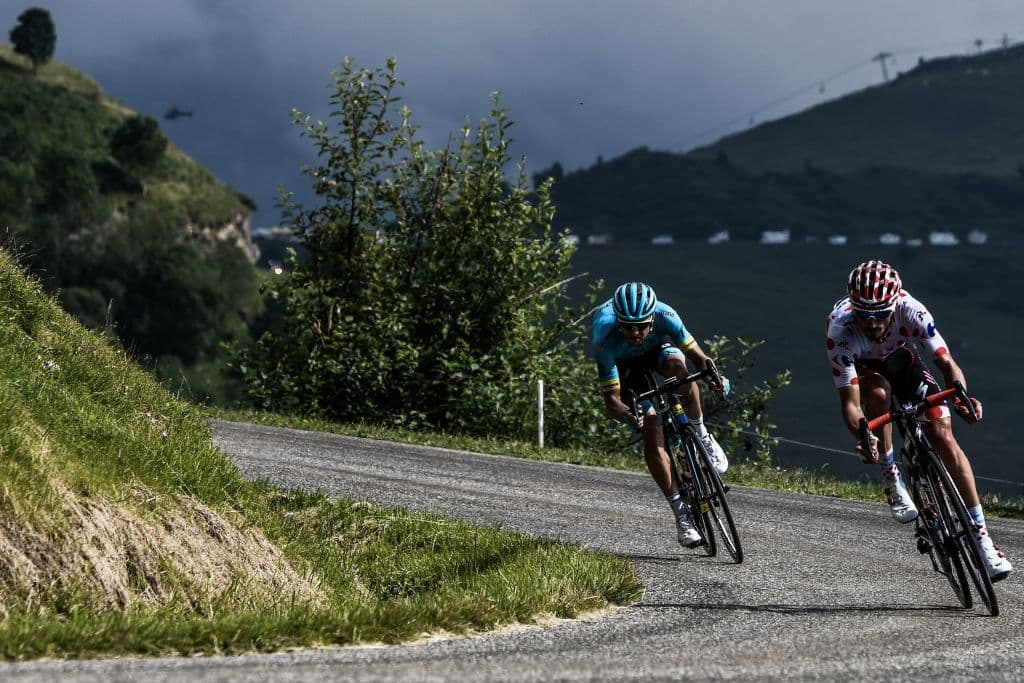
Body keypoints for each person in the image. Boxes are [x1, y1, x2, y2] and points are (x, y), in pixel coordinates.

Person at [825, 260, 1012, 581]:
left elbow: (948, 365)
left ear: (894, 305)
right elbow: (851, 405)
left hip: (900, 359)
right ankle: (890, 475)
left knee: (943, 434)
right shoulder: (839, 332)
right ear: (852, 308)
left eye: (880, 315)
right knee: (879, 396)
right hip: (866, 371)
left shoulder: (912, 311)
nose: (871, 324)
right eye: (863, 315)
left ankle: (983, 540)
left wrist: (962, 397)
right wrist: (863, 434)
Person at [592, 281, 729, 548]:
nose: (634, 332)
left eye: (641, 325)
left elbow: (700, 358)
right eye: (628, 326)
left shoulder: (666, 315)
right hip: (624, 365)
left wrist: (715, 379)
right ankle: (682, 515)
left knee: (681, 374)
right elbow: (612, 400)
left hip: (659, 349)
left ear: (652, 319)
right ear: (617, 321)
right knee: (651, 426)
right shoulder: (604, 336)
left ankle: (702, 435)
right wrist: (627, 415)